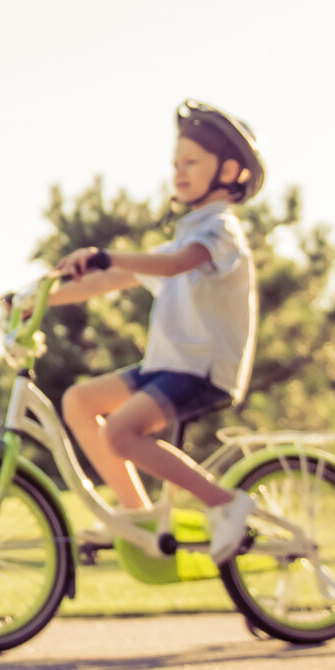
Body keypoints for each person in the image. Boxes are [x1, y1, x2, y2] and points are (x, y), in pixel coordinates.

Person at [47, 102, 266, 565]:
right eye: (175, 164)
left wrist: (111, 255)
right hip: (168, 366)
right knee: (78, 401)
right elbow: (107, 281)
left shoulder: (221, 231)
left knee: (120, 432)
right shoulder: (188, 233)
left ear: (228, 170)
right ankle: (140, 519)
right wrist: (36, 298)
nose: (180, 173)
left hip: (203, 370)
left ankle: (227, 504)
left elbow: (175, 265)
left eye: (191, 163)